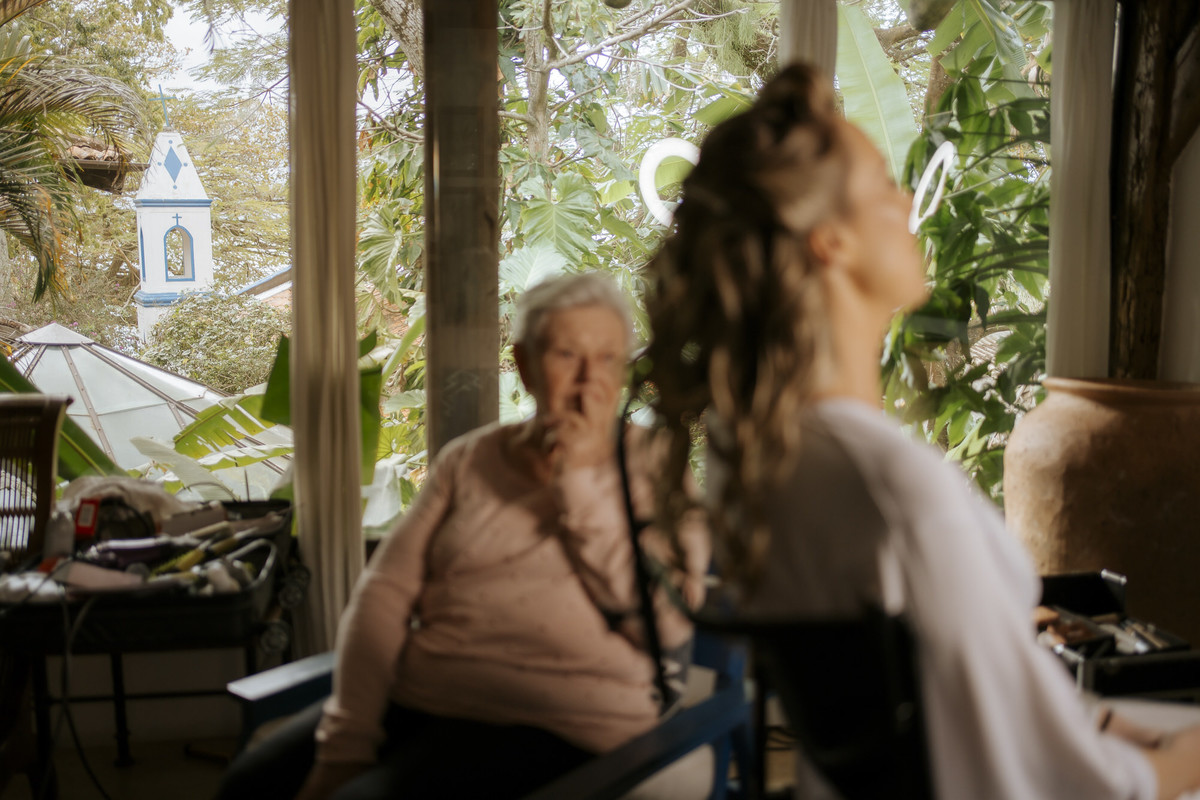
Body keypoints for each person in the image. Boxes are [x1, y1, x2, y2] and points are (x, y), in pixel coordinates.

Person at [641, 62, 1200, 800]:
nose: (907, 205)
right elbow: (1058, 787)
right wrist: (1183, 759)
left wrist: (1096, 731)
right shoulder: (885, 483)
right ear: (830, 242)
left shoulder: (760, 453)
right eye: (881, 188)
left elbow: (939, 727)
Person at [217, 272, 709, 800]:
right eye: (567, 355)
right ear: (524, 365)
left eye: (608, 359)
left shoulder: (659, 466)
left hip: (566, 720)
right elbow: (383, 598)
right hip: (424, 697)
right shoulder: (470, 460)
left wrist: (579, 493)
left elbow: (665, 624)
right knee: (249, 785)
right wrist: (348, 741)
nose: (589, 380)